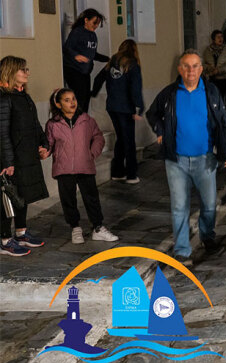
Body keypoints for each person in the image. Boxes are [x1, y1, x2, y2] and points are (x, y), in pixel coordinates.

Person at [146, 50, 226, 267]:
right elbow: (152, 113)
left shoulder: (211, 92)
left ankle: (207, 236)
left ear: (201, 69)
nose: (190, 70)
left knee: (210, 204)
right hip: (176, 160)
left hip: (205, 159)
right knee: (179, 206)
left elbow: (223, 121)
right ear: (179, 69)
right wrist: (159, 131)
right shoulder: (169, 93)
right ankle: (182, 251)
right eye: (186, 66)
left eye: (195, 66)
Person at [45, 89, 118, 244]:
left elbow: (98, 137)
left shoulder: (87, 120)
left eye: (73, 98)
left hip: (85, 165)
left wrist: (92, 153)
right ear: (58, 104)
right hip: (63, 168)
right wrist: (44, 152)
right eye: (66, 100)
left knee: (91, 197)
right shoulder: (53, 124)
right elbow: (49, 144)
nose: (72, 102)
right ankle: (75, 228)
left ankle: (98, 227)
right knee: (68, 199)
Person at [0, 56, 48, 256]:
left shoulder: (23, 96)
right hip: (12, 159)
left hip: (27, 156)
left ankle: (21, 233)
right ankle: (4, 240)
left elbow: (34, 124)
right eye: (22, 70)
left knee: (23, 196)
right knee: (8, 199)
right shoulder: (4, 98)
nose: (27, 73)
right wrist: (7, 162)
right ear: (11, 72)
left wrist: (43, 143)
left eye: (26, 69)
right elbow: (2, 133)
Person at [91, 39, 144, 183]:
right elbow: (135, 88)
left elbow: (98, 79)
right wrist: (138, 108)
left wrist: (93, 93)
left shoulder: (111, 63)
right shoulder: (133, 64)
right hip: (126, 108)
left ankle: (118, 171)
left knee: (121, 138)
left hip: (112, 107)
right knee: (129, 141)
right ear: (134, 50)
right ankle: (131, 175)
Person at [62, 9, 109, 113]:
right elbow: (67, 48)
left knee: (86, 98)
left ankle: (83, 121)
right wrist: (76, 56)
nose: (96, 26)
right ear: (86, 20)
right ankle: (76, 121)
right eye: (94, 23)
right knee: (80, 97)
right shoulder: (77, 32)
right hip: (74, 70)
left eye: (98, 24)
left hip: (85, 72)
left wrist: (107, 59)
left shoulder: (93, 36)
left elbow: (92, 54)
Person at [203, 30, 226, 98]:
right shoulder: (208, 50)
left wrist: (219, 70)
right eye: (218, 37)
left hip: (224, 79)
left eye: (221, 37)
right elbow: (203, 64)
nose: (220, 39)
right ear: (214, 39)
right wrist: (209, 68)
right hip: (212, 78)